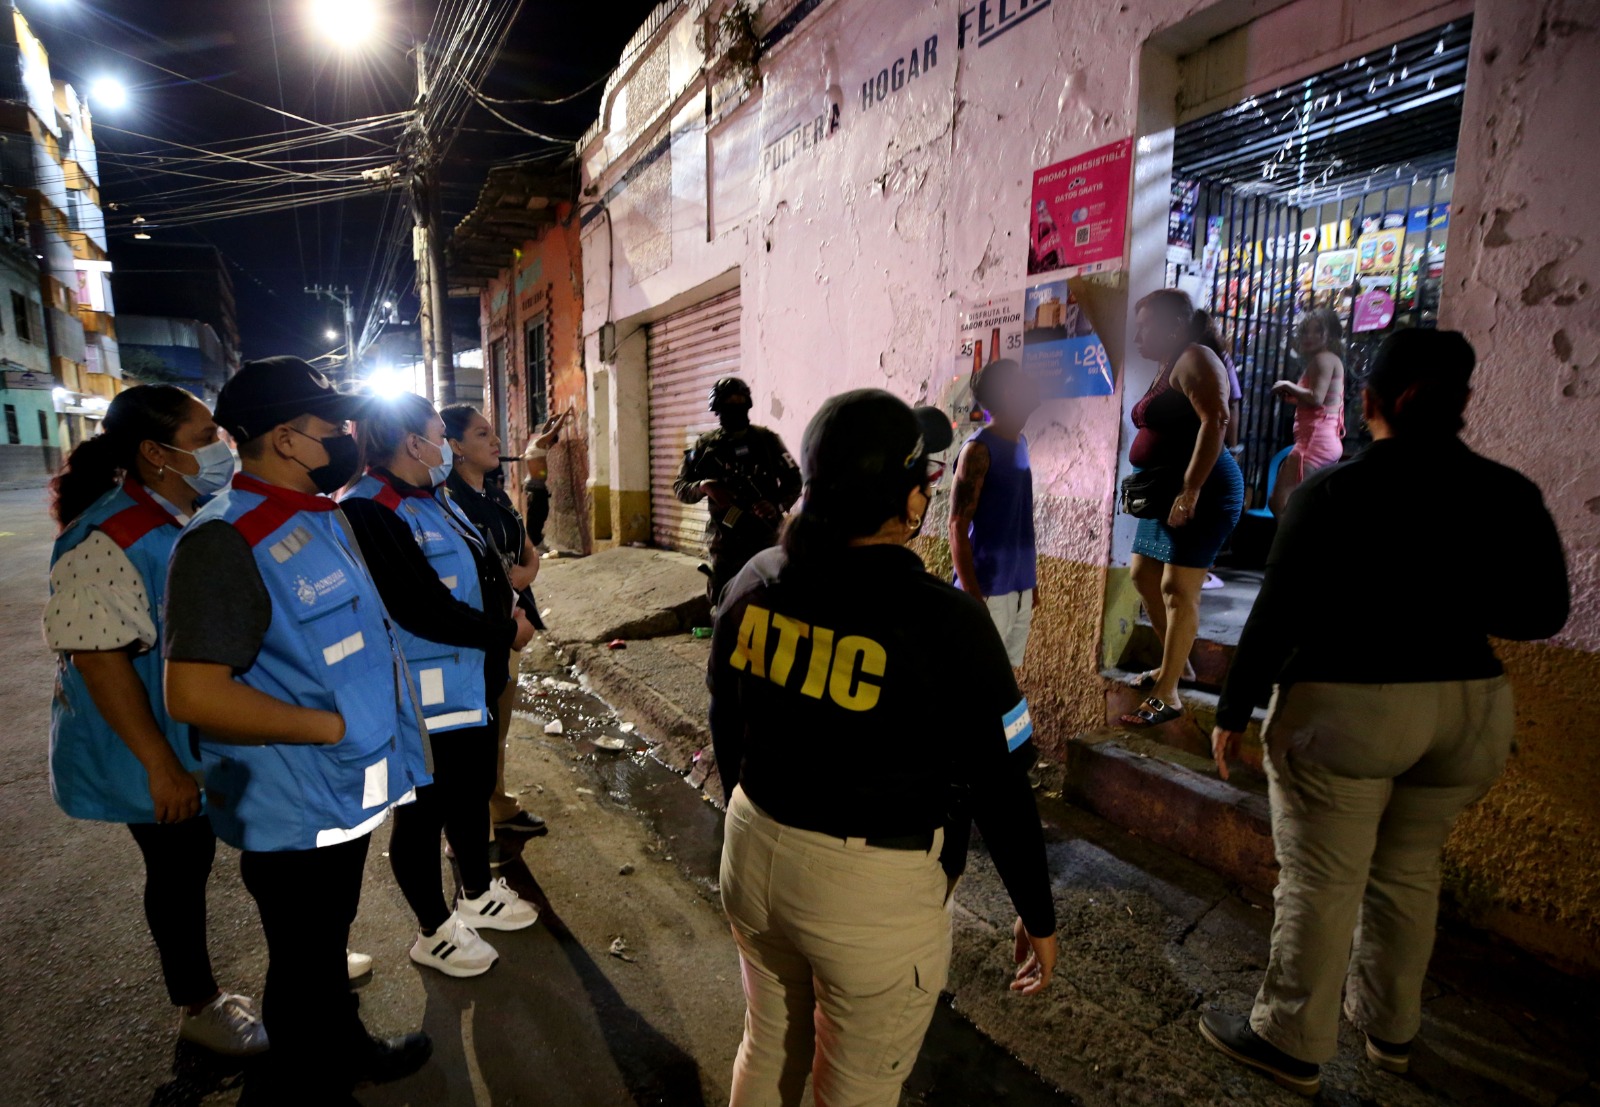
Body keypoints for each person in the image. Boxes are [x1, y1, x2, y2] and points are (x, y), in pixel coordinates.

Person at [1204, 330, 1569, 1096]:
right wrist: (1451, 595)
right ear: (1463, 401)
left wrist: (1233, 708)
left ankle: (1290, 1039)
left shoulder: (1332, 493)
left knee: (1322, 877)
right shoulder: (1507, 492)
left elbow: (1275, 612)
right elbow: (1544, 612)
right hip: (1469, 709)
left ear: (1367, 401)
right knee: (1408, 871)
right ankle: (1391, 1031)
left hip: (1350, 706)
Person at [711, 389, 1058, 1107]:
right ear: (907, 502)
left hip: (752, 847)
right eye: (924, 481)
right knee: (857, 1089)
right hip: (869, 896)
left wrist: (751, 808)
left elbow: (725, 717)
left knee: (768, 1045)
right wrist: (1037, 911)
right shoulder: (948, 623)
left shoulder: (756, 581)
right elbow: (1001, 786)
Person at [162, 357, 432, 1104]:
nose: (346, 437)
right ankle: (304, 1085)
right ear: (285, 438)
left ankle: (343, 1050)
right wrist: (331, 725)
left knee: (324, 944)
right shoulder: (225, 538)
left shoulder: (318, 513)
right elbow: (193, 692)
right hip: (294, 798)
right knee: (303, 959)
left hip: (337, 786)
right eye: (330, 426)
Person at [43, 385, 266, 1058]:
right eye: (203, 439)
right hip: (147, 743)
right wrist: (161, 766)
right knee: (179, 865)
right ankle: (198, 1005)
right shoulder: (107, 537)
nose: (220, 450)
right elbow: (98, 660)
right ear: (155, 452)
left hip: (191, 731)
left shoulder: (185, 514)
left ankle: (300, 961)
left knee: (240, 846)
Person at [342, 393, 539, 979]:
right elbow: (420, 607)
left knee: (470, 790)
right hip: (422, 695)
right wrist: (504, 632)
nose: (445, 447)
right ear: (414, 443)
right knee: (424, 813)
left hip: (469, 682)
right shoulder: (369, 507)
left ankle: (476, 894)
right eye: (437, 434)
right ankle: (433, 930)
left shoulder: (432, 495)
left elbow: (483, 571)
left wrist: (509, 618)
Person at [1121, 289, 1244, 727]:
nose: (1137, 337)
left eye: (1145, 327)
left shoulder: (1196, 358)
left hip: (1203, 490)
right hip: (1164, 491)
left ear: (1174, 326)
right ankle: (1179, 666)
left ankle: (1167, 694)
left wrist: (1190, 491)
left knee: (1178, 588)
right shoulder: (1168, 363)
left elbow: (1217, 420)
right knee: (1142, 574)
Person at [443, 403, 549, 838]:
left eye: (493, 432)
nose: (496, 440)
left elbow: (527, 550)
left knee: (497, 730)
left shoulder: (496, 495)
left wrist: (526, 574)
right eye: (482, 434)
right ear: (455, 446)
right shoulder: (445, 502)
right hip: (476, 636)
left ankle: (498, 806)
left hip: (510, 629)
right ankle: (466, 831)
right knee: (472, 736)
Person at [673, 377, 802, 609]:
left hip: (766, 534)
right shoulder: (705, 445)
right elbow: (680, 487)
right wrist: (704, 486)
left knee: (772, 599)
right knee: (724, 601)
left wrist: (776, 505)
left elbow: (795, 480)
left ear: (747, 404)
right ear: (717, 408)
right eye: (728, 403)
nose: (734, 408)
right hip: (725, 540)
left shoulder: (767, 441)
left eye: (739, 402)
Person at [949, 358, 1042, 668]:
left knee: (1003, 677)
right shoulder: (978, 450)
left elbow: (1017, 516)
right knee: (972, 679)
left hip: (1018, 588)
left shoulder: (1021, 442)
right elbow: (956, 526)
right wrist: (973, 597)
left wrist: (1029, 582)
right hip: (987, 590)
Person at [1269, 307, 1346, 515]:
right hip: (1325, 439)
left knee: (1280, 502)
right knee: (1306, 507)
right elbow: (1323, 402)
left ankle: (1292, 537)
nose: (1309, 336)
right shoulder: (1332, 359)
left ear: (1330, 334)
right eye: (1305, 331)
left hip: (1313, 442)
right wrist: (1295, 397)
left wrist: (1287, 385)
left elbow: (1316, 397)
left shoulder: (1322, 359)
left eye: (1317, 331)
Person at [520, 408, 570, 549]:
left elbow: (545, 431)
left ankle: (535, 542)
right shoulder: (540, 443)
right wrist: (564, 416)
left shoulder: (535, 442)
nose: (550, 447)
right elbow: (553, 431)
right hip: (535, 486)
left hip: (535, 485)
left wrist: (551, 419)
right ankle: (535, 545)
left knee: (539, 514)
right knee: (538, 516)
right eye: (551, 444)